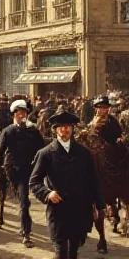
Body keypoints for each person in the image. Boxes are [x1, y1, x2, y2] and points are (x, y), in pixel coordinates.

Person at [30, 109, 106, 259]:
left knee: (73, 252)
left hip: (80, 210)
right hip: (58, 211)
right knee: (61, 251)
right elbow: (34, 181)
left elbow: (93, 179)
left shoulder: (84, 153)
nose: (64, 130)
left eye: (68, 127)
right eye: (61, 127)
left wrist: (99, 205)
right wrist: (47, 193)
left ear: (72, 129)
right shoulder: (45, 154)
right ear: (55, 130)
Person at [0, 98, 45, 248]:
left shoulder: (33, 130)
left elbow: (42, 150)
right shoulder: (8, 131)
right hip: (14, 171)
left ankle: (26, 230)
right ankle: (26, 228)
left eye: (24, 113)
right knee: (23, 201)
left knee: (25, 202)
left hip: (30, 171)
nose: (22, 115)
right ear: (14, 115)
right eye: (19, 113)